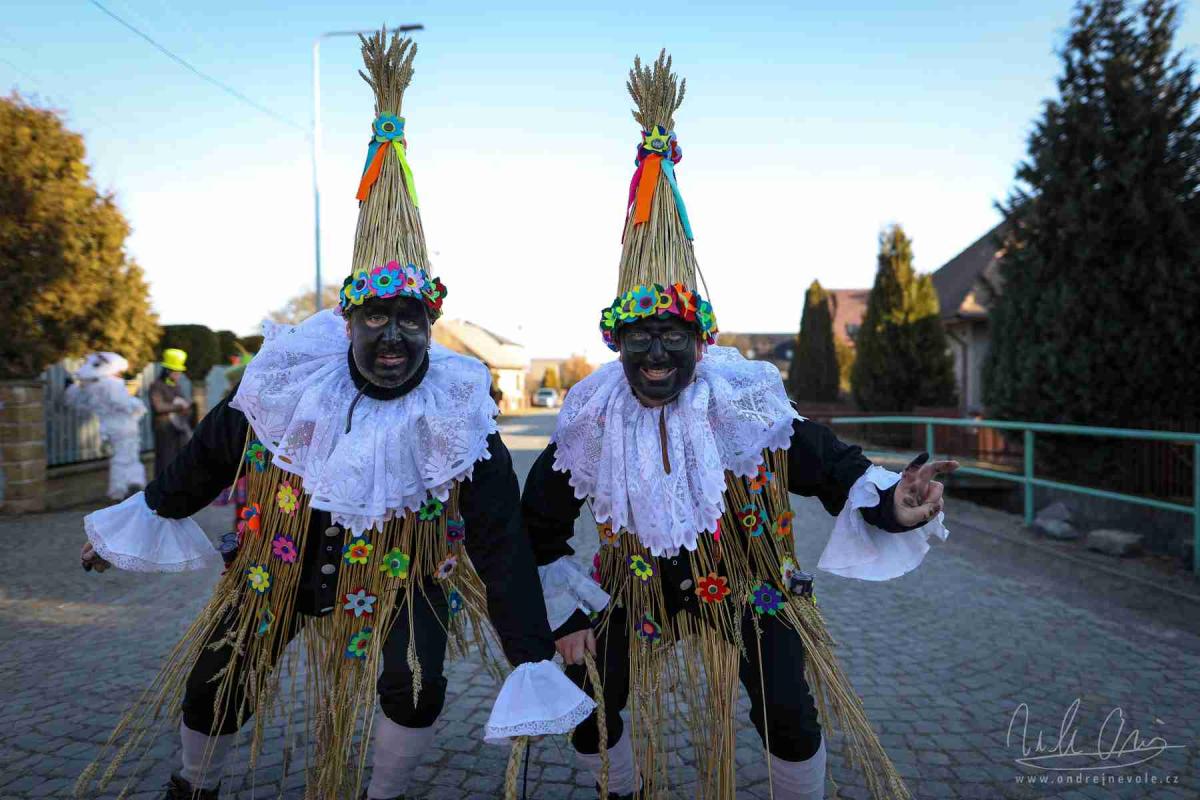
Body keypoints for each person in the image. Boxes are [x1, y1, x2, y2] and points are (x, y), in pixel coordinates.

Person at [77, 30, 590, 800]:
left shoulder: (456, 412)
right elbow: (213, 451)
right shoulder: (291, 383)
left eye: (410, 319)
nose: (393, 337)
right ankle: (193, 783)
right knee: (218, 674)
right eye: (375, 317)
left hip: (403, 571)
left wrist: (531, 651)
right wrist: (142, 516)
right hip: (284, 558)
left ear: (431, 326)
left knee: (415, 681)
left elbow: (498, 537)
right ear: (347, 322)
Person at [520, 52, 959, 800]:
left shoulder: (745, 404)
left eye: (672, 336)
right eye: (639, 337)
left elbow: (831, 466)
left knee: (787, 710)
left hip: (752, 583)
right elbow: (539, 523)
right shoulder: (596, 417)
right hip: (636, 589)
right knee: (588, 697)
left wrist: (893, 504)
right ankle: (621, 789)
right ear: (617, 344)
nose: (656, 354)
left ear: (701, 344)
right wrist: (566, 615)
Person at [63, 352, 146, 500]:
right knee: (125, 458)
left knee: (123, 457)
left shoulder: (90, 386)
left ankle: (128, 487)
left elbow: (77, 403)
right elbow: (123, 404)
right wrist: (136, 403)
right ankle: (122, 490)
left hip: (109, 426)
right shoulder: (112, 384)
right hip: (124, 427)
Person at [148, 347, 192, 477]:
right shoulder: (156, 386)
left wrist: (187, 409)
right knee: (165, 462)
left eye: (180, 372)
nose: (179, 375)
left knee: (179, 462)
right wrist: (179, 407)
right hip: (164, 430)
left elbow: (182, 403)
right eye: (176, 372)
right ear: (167, 370)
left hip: (177, 430)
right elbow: (158, 407)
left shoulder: (176, 386)